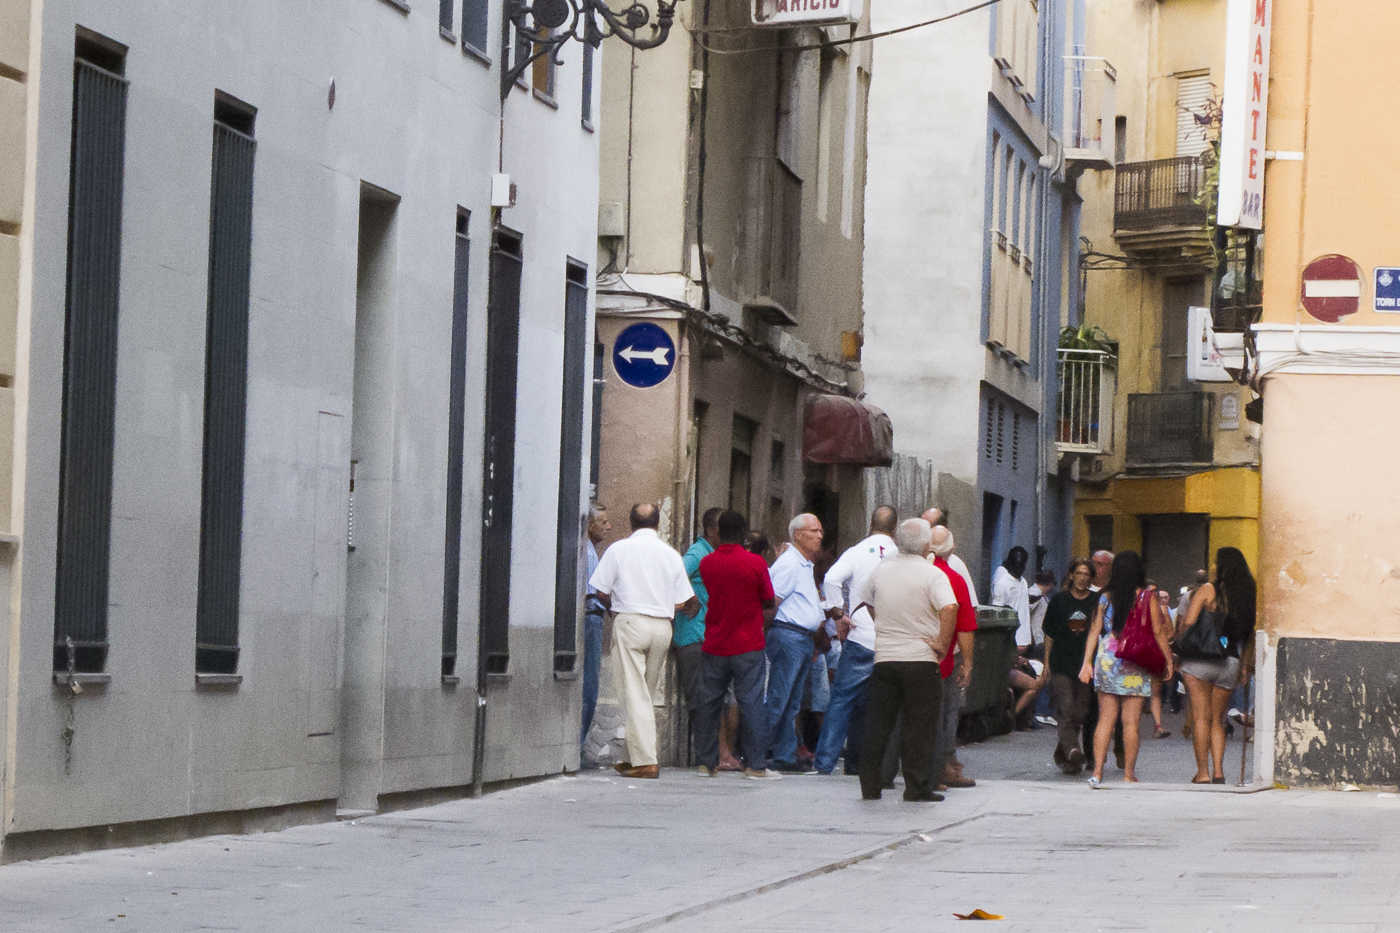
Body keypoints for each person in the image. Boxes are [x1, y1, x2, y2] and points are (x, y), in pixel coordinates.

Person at [587, 503, 697, 779]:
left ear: (631, 522)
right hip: (661, 626)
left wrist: (616, 608)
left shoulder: (618, 550)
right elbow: (687, 601)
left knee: (633, 694)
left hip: (631, 620)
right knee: (644, 694)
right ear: (657, 523)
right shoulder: (670, 555)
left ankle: (647, 760)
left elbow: (599, 591)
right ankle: (631, 757)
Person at [859, 518, 958, 802]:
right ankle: (917, 786)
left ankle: (871, 784)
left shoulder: (881, 570)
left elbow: (867, 600)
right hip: (921, 658)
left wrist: (884, 625)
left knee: (878, 723)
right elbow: (949, 607)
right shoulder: (932, 574)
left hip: (885, 657)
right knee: (920, 726)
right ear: (927, 544)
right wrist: (941, 642)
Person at [693, 511, 781, 780]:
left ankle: (707, 762)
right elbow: (768, 599)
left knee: (709, 703)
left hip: (716, 641)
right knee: (752, 702)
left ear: (718, 532)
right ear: (743, 532)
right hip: (748, 643)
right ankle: (755, 764)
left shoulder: (708, 563)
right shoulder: (755, 563)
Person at [812, 505, 898, 775]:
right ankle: (858, 762)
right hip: (890, 642)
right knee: (871, 703)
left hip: (861, 636)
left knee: (843, 700)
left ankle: (825, 761)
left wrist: (838, 613)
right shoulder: (900, 555)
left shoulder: (857, 552)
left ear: (870, 524)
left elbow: (831, 579)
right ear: (894, 528)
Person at [1077, 550, 1173, 785]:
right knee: (1131, 723)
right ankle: (1129, 774)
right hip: (1135, 661)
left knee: (1105, 719)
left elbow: (1094, 630)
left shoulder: (1105, 596)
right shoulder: (1147, 597)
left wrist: (1086, 663)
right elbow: (1158, 631)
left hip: (1108, 658)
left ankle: (1097, 771)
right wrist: (1168, 660)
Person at [765, 513, 844, 772]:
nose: (819, 536)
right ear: (798, 535)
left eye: (820, 531)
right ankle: (760, 749)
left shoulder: (804, 564)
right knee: (780, 696)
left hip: (802, 637)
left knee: (792, 700)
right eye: (814, 531)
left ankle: (785, 754)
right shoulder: (789, 564)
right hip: (788, 634)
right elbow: (772, 600)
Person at [1175, 547, 1257, 784]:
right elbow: (1249, 635)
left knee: (1201, 718)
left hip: (1199, 660)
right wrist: (1244, 667)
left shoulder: (1208, 590)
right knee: (1218, 720)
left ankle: (1203, 773)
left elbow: (1188, 622)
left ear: (1221, 566)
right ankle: (1219, 771)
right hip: (1230, 660)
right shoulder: (1247, 596)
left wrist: (1179, 648)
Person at [921, 507, 979, 788]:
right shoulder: (953, 575)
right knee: (945, 713)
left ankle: (917, 768)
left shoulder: (910, 572)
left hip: (910, 655)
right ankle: (941, 768)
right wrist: (967, 662)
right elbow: (966, 621)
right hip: (944, 657)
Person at [1042, 558, 1097, 774]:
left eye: (1087, 574)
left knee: (1081, 711)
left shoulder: (1096, 601)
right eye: (1079, 573)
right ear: (1071, 575)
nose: (1082, 578)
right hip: (1061, 662)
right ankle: (1073, 749)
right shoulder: (1059, 600)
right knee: (1065, 707)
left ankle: (1063, 754)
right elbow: (1049, 634)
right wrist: (1046, 663)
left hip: (1085, 664)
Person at [674, 508, 722, 719]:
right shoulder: (698, 552)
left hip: (708, 636)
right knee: (701, 703)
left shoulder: (714, 554)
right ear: (712, 530)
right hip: (693, 636)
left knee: (711, 701)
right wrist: (687, 600)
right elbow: (673, 576)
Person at [580, 503, 612, 753]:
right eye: (603, 522)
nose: (608, 527)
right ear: (590, 525)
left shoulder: (590, 551)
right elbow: (596, 594)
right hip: (592, 617)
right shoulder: (589, 553)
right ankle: (578, 745)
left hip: (592, 615)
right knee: (589, 685)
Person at [991, 547, 1032, 650]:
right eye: (1017, 564)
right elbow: (997, 614)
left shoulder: (1023, 582)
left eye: (1022, 564)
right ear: (1010, 563)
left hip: (1024, 640)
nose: (1020, 568)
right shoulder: (1002, 584)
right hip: (1010, 641)